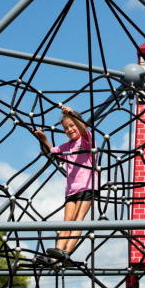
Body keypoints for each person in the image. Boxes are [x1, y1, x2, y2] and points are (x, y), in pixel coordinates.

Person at [32, 106, 97, 266]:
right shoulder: (66, 146)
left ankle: (66, 252)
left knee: (77, 219)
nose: (69, 130)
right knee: (67, 220)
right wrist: (43, 138)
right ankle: (55, 257)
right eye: (66, 128)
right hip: (71, 189)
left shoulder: (86, 139)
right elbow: (50, 153)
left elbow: (82, 128)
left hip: (87, 186)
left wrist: (71, 115)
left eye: (71, 125)